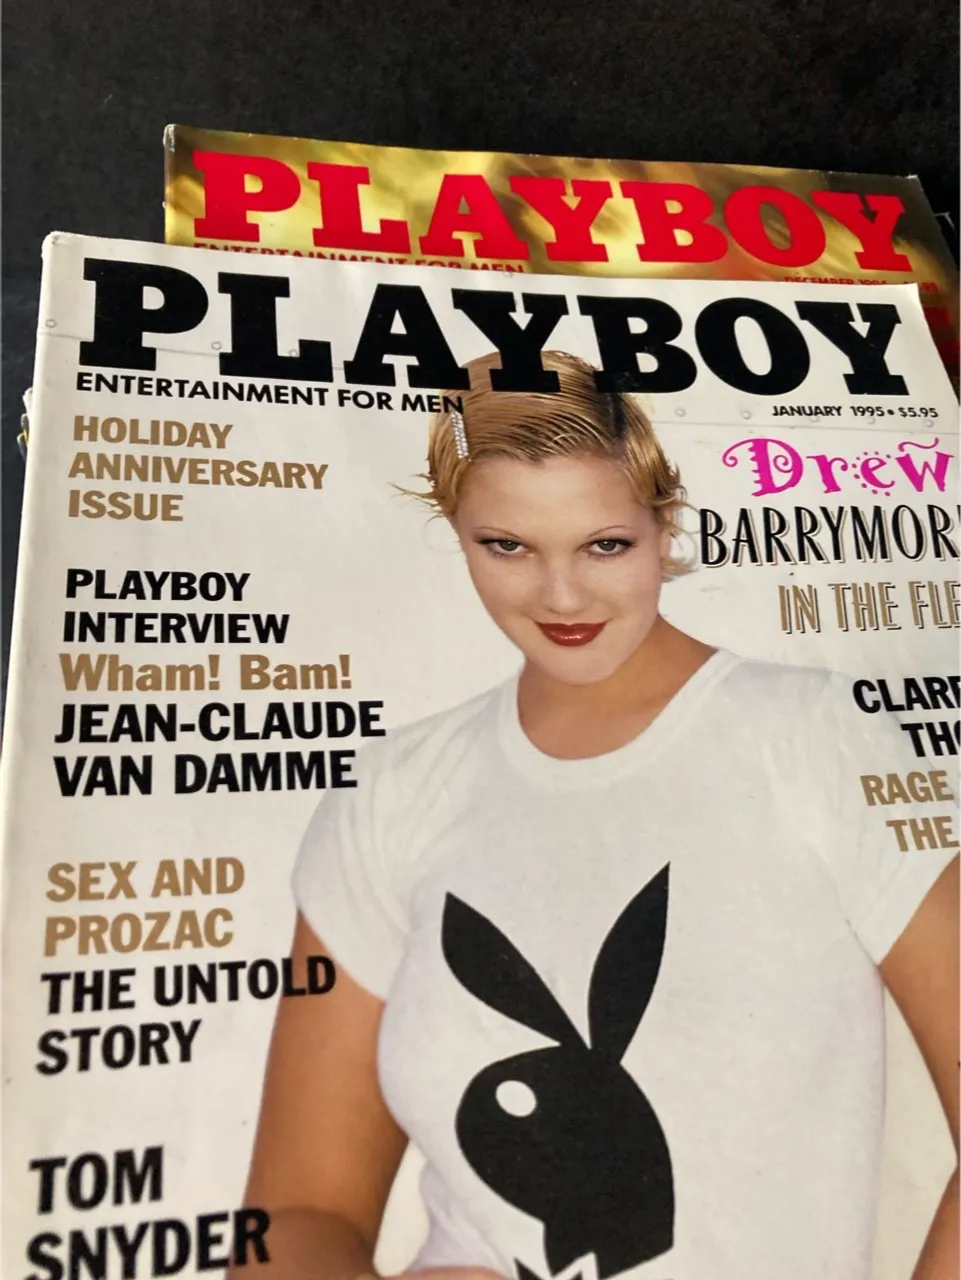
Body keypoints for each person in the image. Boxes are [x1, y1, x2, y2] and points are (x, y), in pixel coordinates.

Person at [236, 351, 959, 1280]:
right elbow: (298, 1211)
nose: (562, 596)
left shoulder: (815, 736)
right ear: (457, 533)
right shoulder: (392, 789)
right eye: (507, 546)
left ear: (664, 523)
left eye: (604, 545)